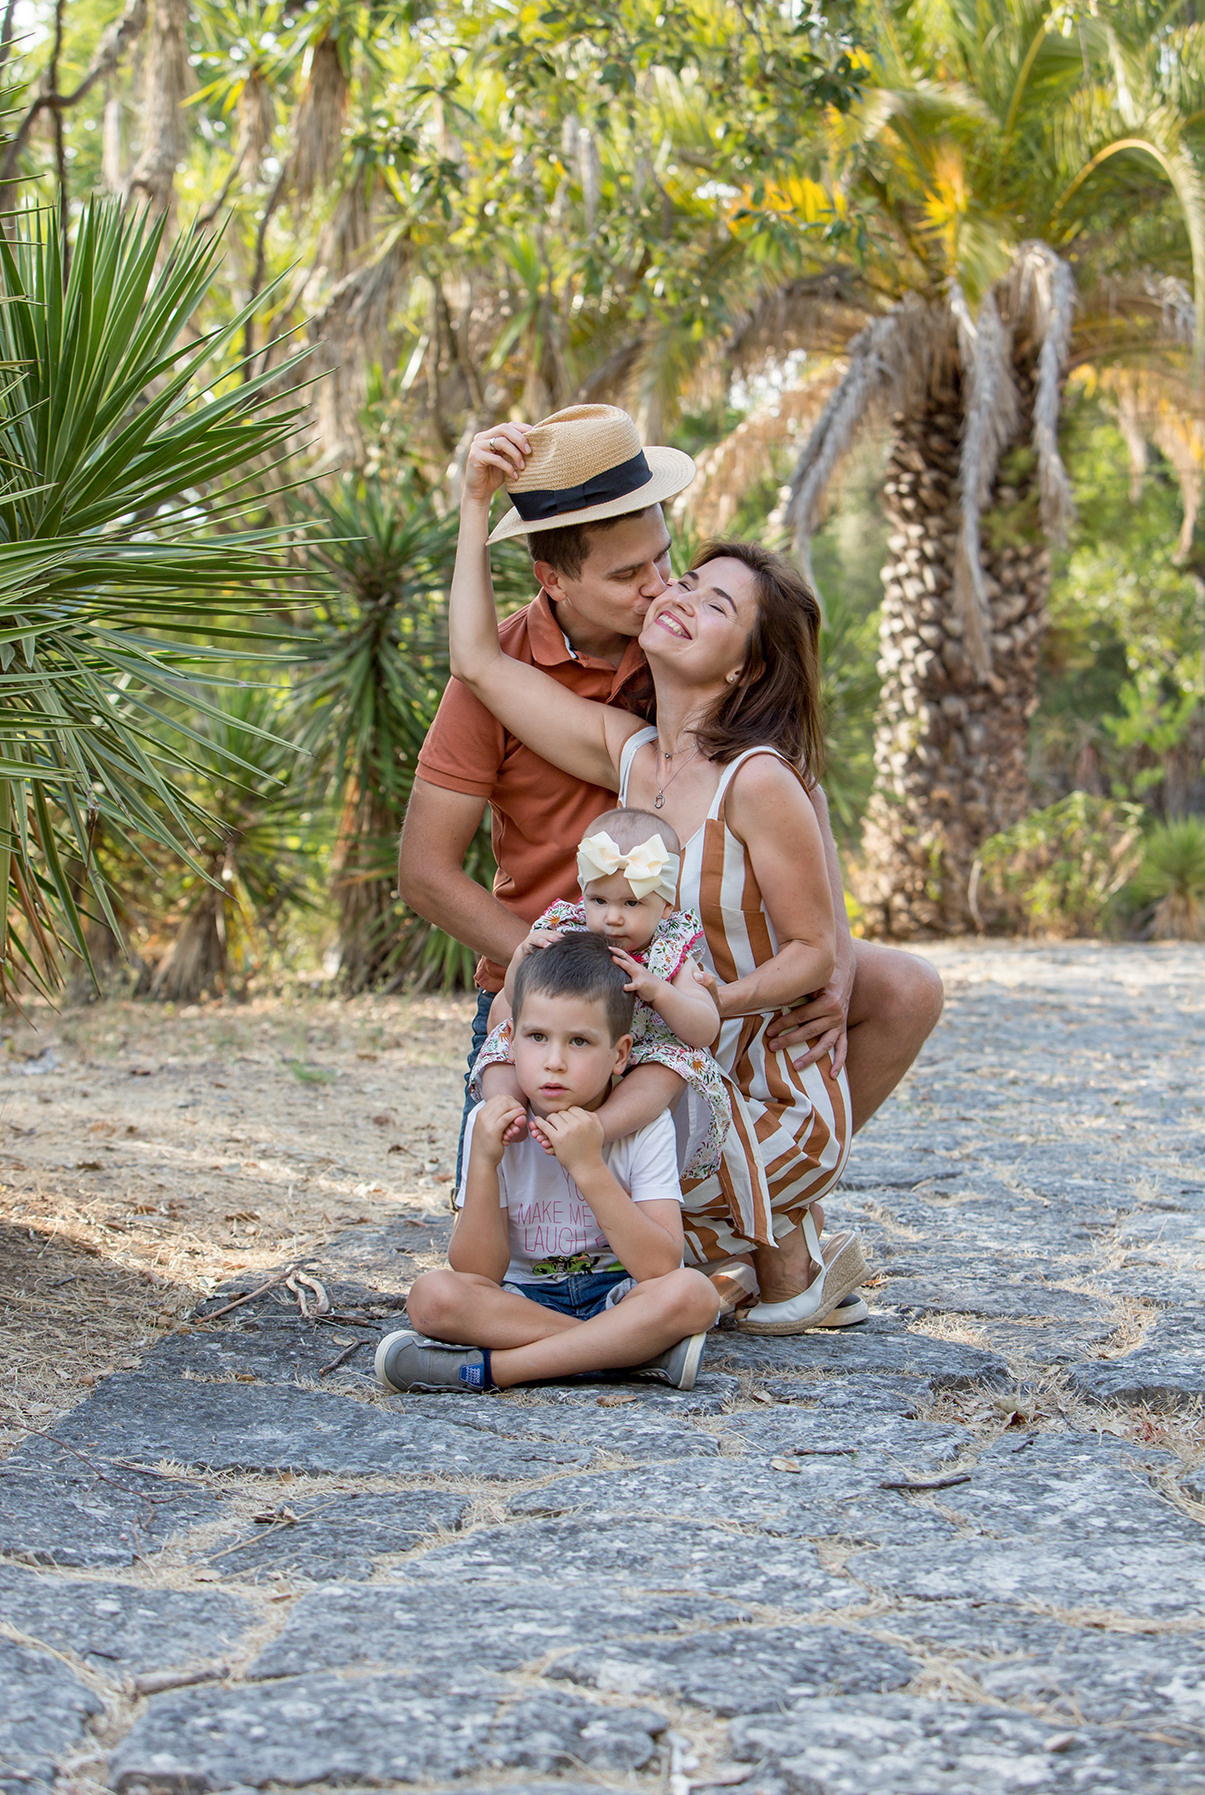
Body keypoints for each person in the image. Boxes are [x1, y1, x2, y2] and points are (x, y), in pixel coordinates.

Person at [397, 405, 942, 1196]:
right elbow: (424, 871)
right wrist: (563, 968)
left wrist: (834, 964)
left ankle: (755, 1203)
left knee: (905, 986)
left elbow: (797, 790)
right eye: (628, 577)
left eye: (667, 560)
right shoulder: (539, 681)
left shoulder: (693, 656)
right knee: (521, 1246)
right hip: (548, 971)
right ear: (554, 578)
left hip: (688, 957)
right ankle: (701, 1216)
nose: (659, 590)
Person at [441, 417, 868, 1331]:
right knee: (575, 1154)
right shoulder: (629, 756)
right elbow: (476, 660)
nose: (675, 597)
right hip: (674, 1057)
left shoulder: (757, 779)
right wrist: (473, 503)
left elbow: (812, 945)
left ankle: (772, 1249)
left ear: (747, 661)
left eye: (717, 607)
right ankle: (765, 1268)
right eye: (687, 583)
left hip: (760, 1076)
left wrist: (721, 997)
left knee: (618, 1154)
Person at [376, 933, 720, 1393]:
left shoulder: (645, 1125)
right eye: (537, 1037)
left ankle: (494, 1371)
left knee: (694, 1294)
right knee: (432, 1297)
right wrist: (482, 1163)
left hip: (617, 1296)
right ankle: (633, 1354)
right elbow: (477, 1271)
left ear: (619, 1054)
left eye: (579, 1041)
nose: (553, 1062)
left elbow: (660, 1266)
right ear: (512, 1041)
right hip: (519, 1301)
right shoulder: (491, 1121)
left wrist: (589, 1167)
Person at [474, 806, 731, 1184]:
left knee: (671, 1069)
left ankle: (598, 1128)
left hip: (638, 1056)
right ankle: (506, 1107)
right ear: (584, 893)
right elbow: (516, 1000)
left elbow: (704, 1029)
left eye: (631, 903)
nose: (612, 917)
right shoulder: (564, 928)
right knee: (503, 1042)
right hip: (566, 1045)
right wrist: (520, 959)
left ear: (667, 905)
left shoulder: (672, 950)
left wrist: (658, 990)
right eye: (599, 901)